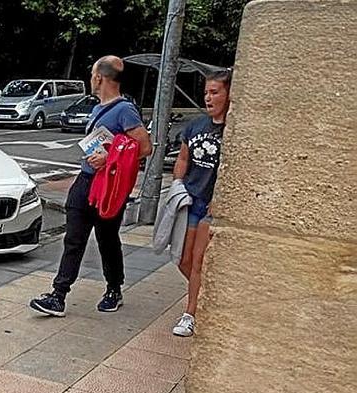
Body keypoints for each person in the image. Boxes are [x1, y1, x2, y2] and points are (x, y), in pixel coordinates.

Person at [30, 56, 152, 317]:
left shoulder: (125, 110)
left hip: (107, 187)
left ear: (99, 78)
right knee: (73, 239)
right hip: (84, 182)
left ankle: (114, 289)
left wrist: (109, 158)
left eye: (92, 75)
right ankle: (58, 295)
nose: (91, 79)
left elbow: (144, 147)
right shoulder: (98, 108)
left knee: (107, 240)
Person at [171, 69, 232, 337]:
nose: (208, 97)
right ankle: (208, 295)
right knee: (183, 260)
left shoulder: (233, 131)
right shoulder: (195, 126)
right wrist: (177, 184)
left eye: (215, 92)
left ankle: (190, 313)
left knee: (197, 262)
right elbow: (183, 159)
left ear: (229, 94)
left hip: (212, 206)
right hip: (191, 202)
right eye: (206, 92)